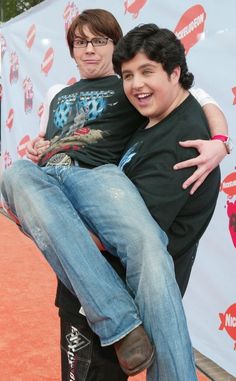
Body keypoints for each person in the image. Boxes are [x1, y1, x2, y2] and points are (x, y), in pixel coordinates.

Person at [0, 9, 229, 381]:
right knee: (15, 174)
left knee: (145, 244)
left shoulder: (134, 96)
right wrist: (42, 159)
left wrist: (220, 141)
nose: (89, 50)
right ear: (71, 51)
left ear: (115, 45)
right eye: (80, 42)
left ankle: (124, 327)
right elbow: (46, 141)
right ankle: (120, 323)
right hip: (54, 195)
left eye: (99, 40)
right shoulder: (63, 92)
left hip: (95, 182)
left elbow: (196, 94)